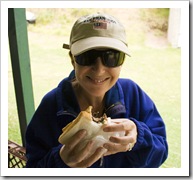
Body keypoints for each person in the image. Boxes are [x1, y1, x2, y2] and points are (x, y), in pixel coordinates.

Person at [25, 12, 168, 168]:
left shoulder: (134, 95)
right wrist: (61, 162)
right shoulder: (51, 106)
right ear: (73, 59)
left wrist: (140, 136)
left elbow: (160, 153)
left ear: (122, 62)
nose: (99, 70)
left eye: (112, 57)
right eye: (87, 56)